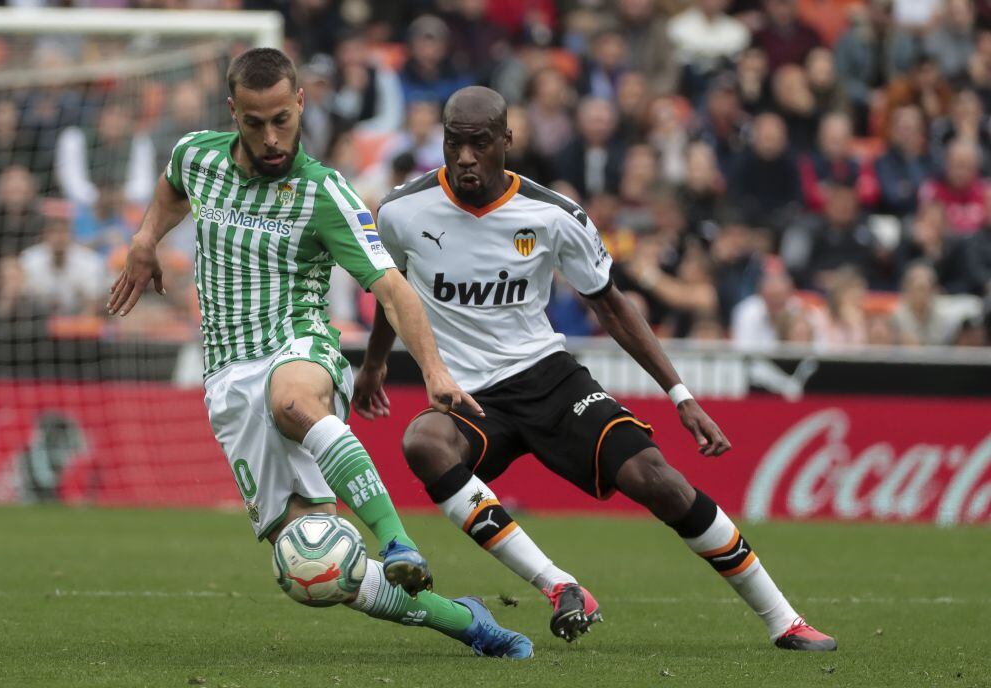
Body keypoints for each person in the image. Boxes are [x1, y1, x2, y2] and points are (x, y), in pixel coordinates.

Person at [355, 86, 837, 651]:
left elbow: (611, 304)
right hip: (469, 397)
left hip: (547, 377)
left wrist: (679, 393)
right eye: (453, 143)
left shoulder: (553, 215)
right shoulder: (401, 212)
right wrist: (375, 364)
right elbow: (395, 291)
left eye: (479, 144)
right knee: (423, 441)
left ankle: (785, 620)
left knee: (655, 480)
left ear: (506, 141)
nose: (464, 158)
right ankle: (560, 585)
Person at [106, 49, 532, 660]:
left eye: (282, 118)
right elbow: (174, 186)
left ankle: (396, 540)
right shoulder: (196, 154)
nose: (272, 137)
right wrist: (146, 239)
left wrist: (434, 372)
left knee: (290, 401)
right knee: (317, 562)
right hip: (227, 379)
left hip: (297, 347)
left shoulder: (326, 193)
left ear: (301, 102)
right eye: (255, 124)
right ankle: (466, 623)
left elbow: (392, 288)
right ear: (234, 114)